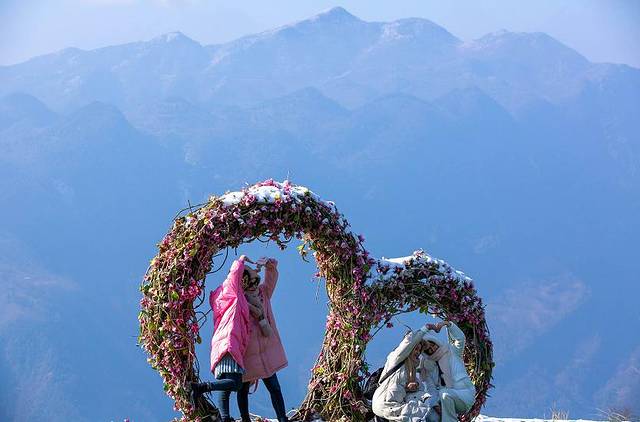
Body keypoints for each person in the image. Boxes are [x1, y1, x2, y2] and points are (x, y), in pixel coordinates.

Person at [190, 255, 251, 422]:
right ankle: (201, 387)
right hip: (229, 342)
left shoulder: (225, 298)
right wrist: (241, 260)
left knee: (226, 387)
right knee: (236, 384)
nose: (245, 283)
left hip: (224, 343)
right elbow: (234, 274)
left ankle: (224, 418)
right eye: (244, 279)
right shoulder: (231, 292)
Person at [236, 257, 289, 422]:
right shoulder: (238, 300)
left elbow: (271, 279)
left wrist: (269, 266)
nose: (253, 284)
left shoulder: (263, 294)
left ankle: (282, 418)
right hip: (247, 352)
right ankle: (245, 419)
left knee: (274, 387)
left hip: (265, 350)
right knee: (243, 388)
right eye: (249, 282)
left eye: (255, 280)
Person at [371, 325, 433, 422]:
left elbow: (420, 395)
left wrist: (413, 387)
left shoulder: (413, 373)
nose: (417, 352)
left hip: (396, 405)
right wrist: (425, 329)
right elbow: (408, 342)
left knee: (425, 410)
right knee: (420, 414)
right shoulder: (396, 359)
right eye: (415, 348)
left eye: (419, 350)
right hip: (383, 401)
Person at [422, 320, 477, 422]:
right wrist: (434, 404)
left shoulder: (452, 351)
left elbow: (460, 338)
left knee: (444, 393)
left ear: (435, 341)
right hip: (445, 400)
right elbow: (431, 389)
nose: (432, 349)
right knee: (431, 417)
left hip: (464, 395)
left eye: (432, 345)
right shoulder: (429, 368)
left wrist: (447, 324)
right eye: (428, 350)